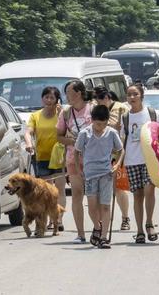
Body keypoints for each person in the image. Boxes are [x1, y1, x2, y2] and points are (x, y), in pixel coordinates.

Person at [120, 84, 159, 244]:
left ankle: (149, 223)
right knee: (137, 195)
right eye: (129, 94)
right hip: (131, 160)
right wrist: (117, 161)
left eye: (135, 94)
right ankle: (139, 231)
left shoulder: (151, 113)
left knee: (149, 190)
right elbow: (123, 141)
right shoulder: (125, 118)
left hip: (150, 160)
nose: (132, 97)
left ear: (141, 95)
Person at [74, 105, 124, 249]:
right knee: (92, 206)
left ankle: (103, 237)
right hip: (89, 175)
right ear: (92, 120)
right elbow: (77, 152)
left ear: (107, 121)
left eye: (103, 124)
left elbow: (121, 150)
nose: (100, 127)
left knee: (105, 205)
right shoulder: (85, 133)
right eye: (97, 124)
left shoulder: (112, 133)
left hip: (106, 174)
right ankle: (97, 226)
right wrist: (79, 169)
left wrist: (117, 165)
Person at [24, 86, 66, 229]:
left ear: (57, 100)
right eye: (46, 97)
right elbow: (28, 132)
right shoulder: (35, 116)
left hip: (59, 157)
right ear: (42, 99)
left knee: (59, 189)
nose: (49, 100)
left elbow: (68, 129)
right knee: (45, 191)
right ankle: (47, 220)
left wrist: (61, 114)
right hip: (41, 157)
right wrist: (29, 143)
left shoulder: (62, 114)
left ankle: (58, 220)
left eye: (52, 98)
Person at [57, 80, 93, 244]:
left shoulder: (93, 109)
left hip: (94, 160)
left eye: (69, 92)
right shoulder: (65, 113)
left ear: (78, 93)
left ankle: (99, 228)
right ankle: (81, 233)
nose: (67, 96)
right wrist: (72, 142)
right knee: (77, 195)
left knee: (94, 196)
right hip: (73, 160)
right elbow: (58, 136)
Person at [94, 86, 131, 231]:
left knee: (118, 188)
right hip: (100, 154)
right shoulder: (95, 109)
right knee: (99, 190)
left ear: (107, 97)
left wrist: (118, 128)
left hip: (117, 154)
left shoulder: (122, 108)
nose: (99, 102)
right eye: (97, 100)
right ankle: (101, 221)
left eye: (101, 99)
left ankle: (125, 217)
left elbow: (127, 131)